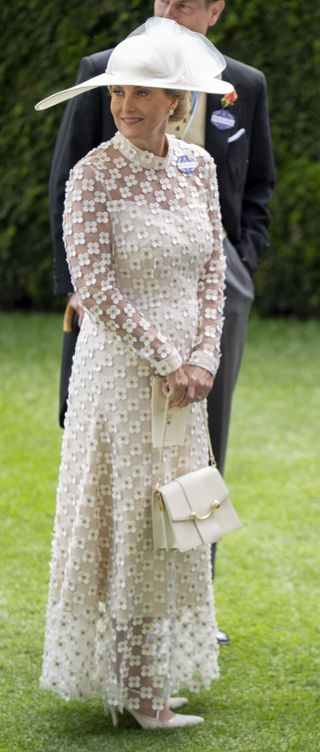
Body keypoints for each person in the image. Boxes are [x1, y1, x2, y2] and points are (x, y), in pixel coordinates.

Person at [36, 17, 231, 729]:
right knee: (129, 525)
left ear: (175, 101)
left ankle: (150, 677)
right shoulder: (92, 174)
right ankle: (139, 695)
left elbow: (214, 266)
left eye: (142, 93)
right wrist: (166, 357)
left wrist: (203, 356)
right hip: (122, 377)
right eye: (118, 91)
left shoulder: (196, 167)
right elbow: (93, 288)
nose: (126, 106)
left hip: (187, 379)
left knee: (179, 519)